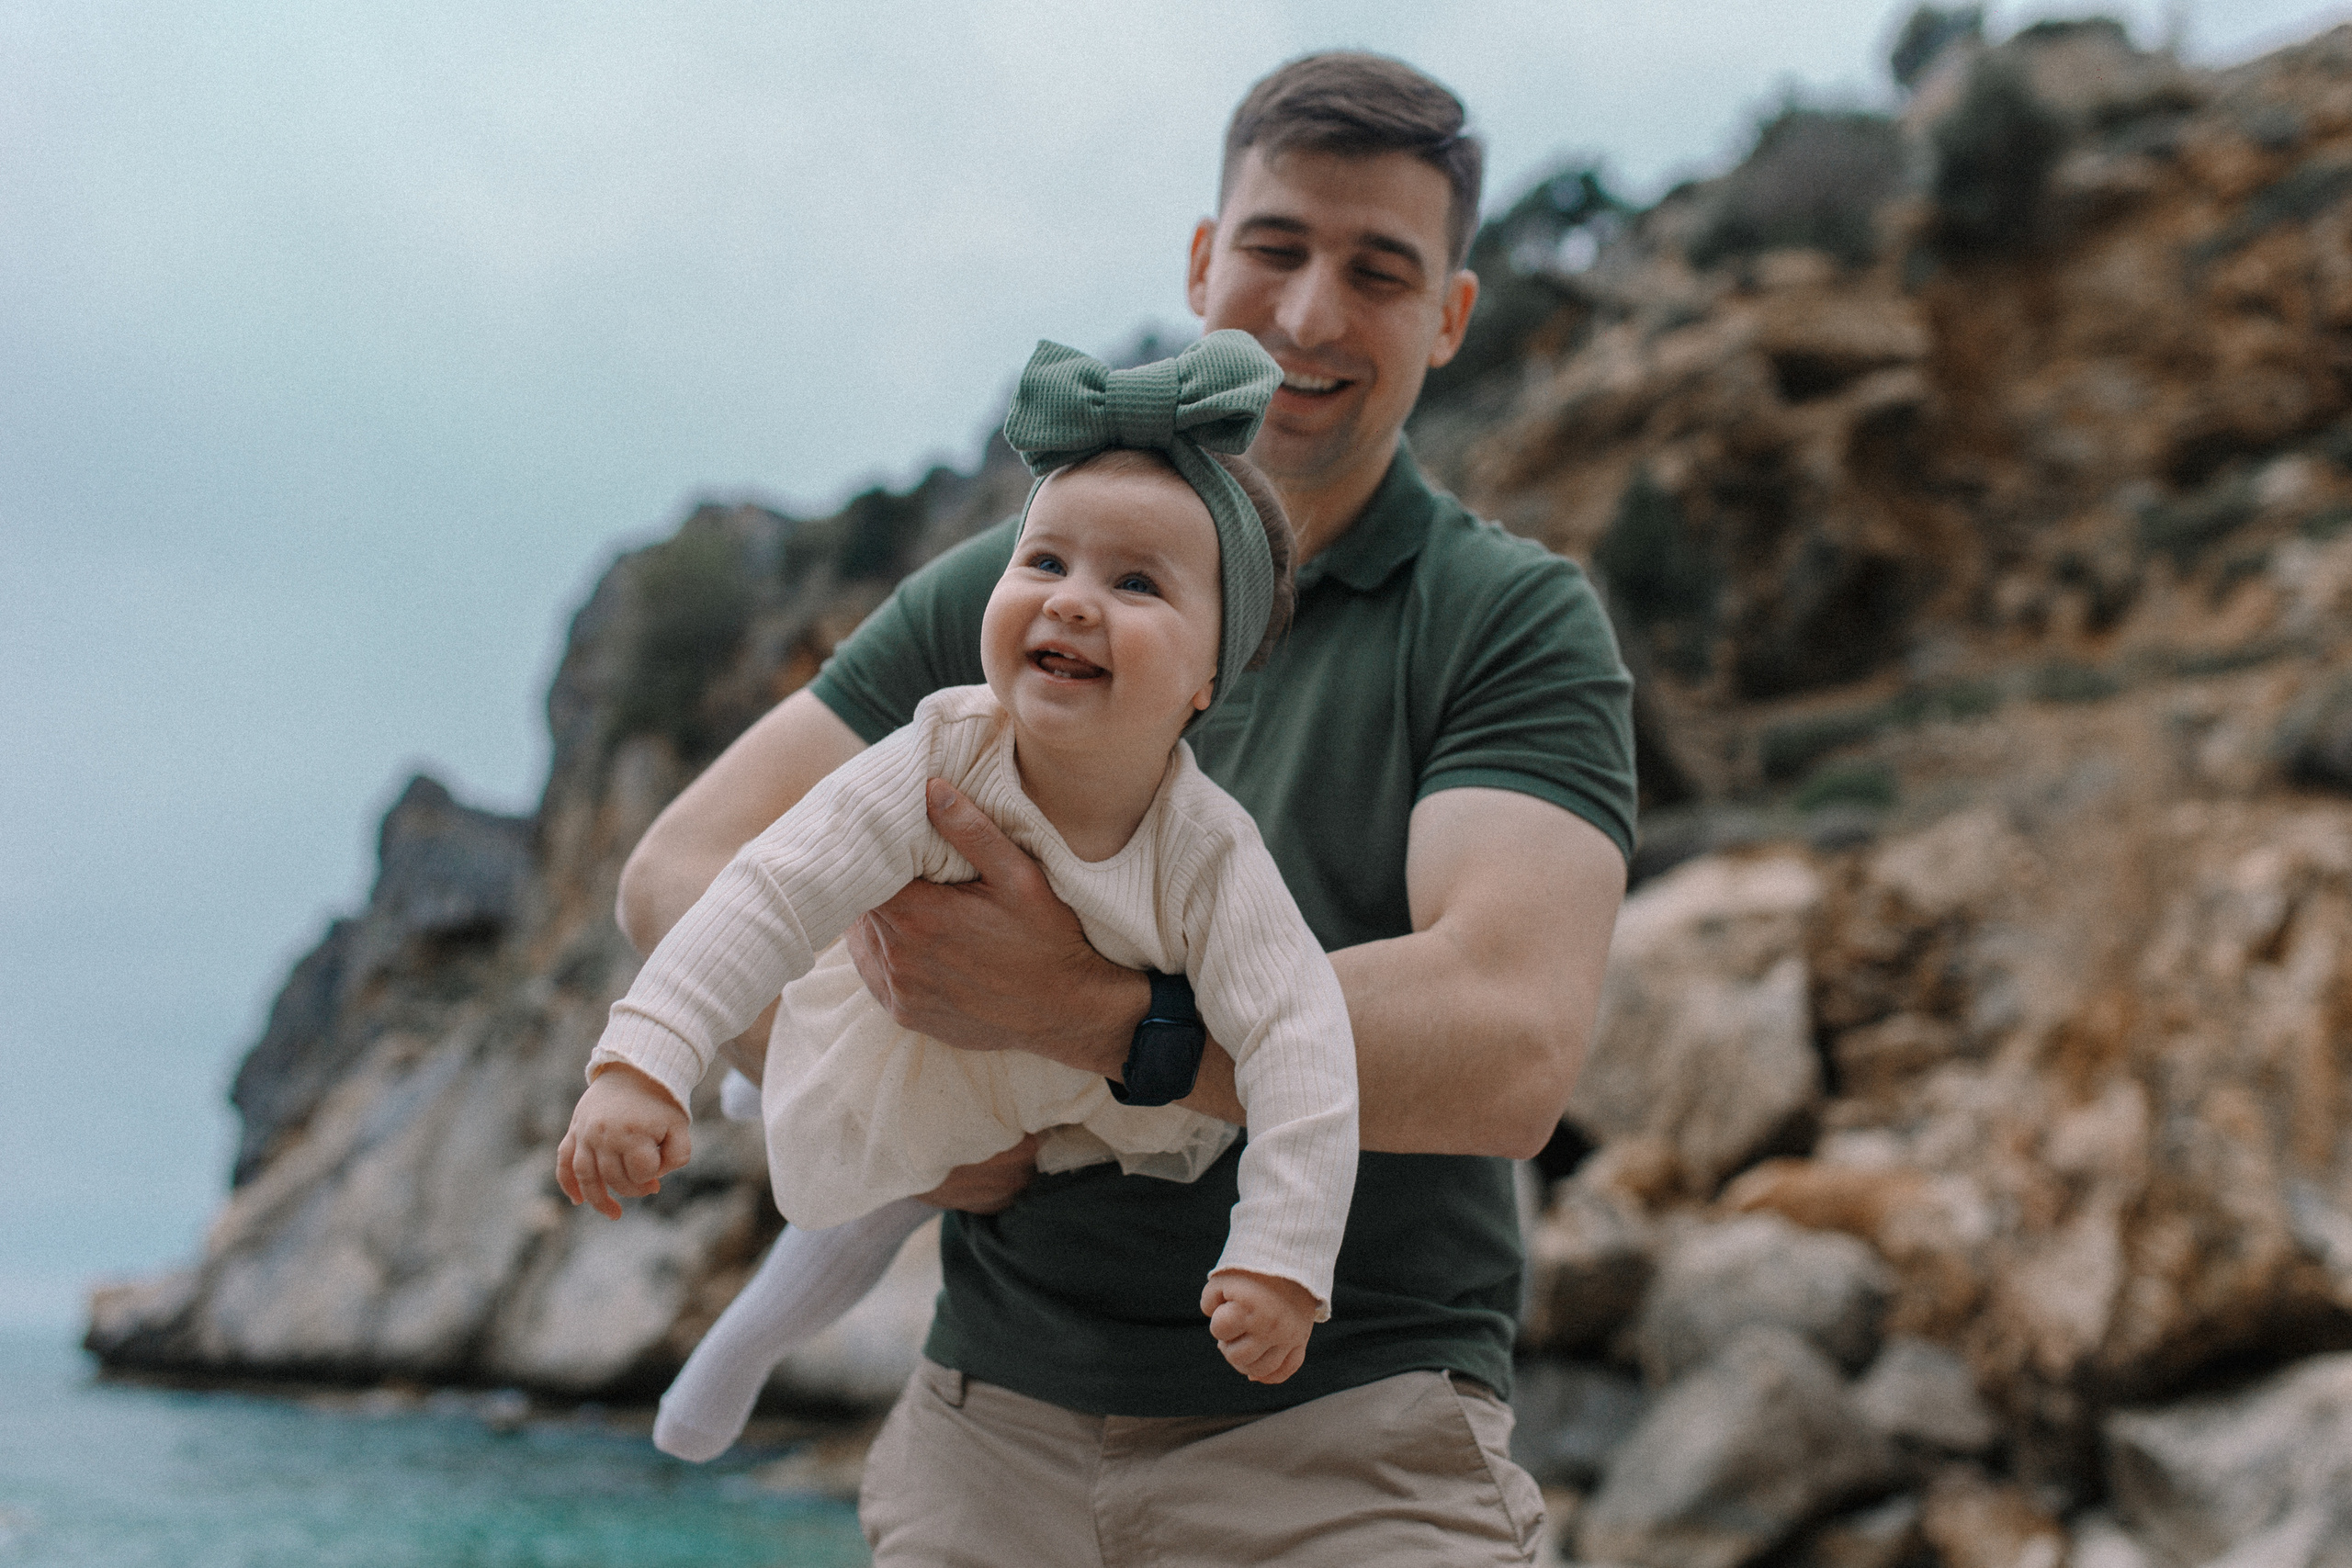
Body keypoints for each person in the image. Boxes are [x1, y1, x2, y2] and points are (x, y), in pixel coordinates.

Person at [616, 51, 1634, 1566]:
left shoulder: (1507, 620)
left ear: (1451, 317)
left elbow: (1508, 1037)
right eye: (1277, 249)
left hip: (1354, 1450)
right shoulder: (1018, 584)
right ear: (1203, 262)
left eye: (1379, 270)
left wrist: (1104, 1021)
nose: (1307, 314)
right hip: (989, 1439)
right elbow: (681, 868)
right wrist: (888, 1090)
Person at [558, 333, 1361, 1461]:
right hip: (907, 1028)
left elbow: (1301, 1038)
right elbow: (772, 890)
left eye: (1135, 584)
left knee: (887, 1195)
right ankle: (731, 1353)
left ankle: (745, 1322)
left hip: (1072, 1099)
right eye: (1044, 563)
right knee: (866, 1164)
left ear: (1206, 678)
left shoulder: (1211, 853)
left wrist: (1281, 1251)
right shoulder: (939, 754)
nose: (1073, 603)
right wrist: (642, 1064)